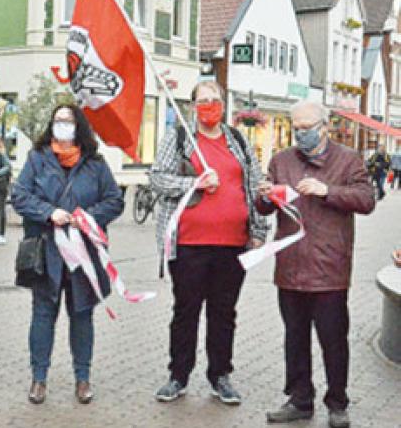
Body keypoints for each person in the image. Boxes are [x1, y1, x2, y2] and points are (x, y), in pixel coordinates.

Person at [257, 101, 375, 428]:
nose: (301, 133)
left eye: (307, 127)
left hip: (329, 270)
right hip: (291, 267)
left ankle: (337, 402)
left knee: (333, 340)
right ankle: (299, 398)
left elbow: (367, 200)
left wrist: (328, 190)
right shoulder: (281, 160)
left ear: (325, 126)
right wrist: (265, 196)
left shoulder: (348, 160)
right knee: (295, 338)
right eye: (296, 127)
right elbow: (264, 208)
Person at [149, 81, 268, 406]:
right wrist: (194, 182)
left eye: (215, 100)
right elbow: (157, 178)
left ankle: (220, 375)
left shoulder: (239, 141)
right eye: (203, 101)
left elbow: (255, 185)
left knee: (223, 312)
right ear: (192, 106)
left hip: (232, 245)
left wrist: (259, 229)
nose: (210, 106)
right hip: (188, 244)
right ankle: (178, 375)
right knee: (186, 310)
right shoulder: (179, 139)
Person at [11, 103, 125, 405]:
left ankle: (83, 378)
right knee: (43, 315)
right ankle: (38, 378)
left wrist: (87, 217)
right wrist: (49, 213)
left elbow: (115, 200)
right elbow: (20, 196)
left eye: (69, 121)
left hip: (83, 254)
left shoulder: (95, 164)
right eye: (58, 120)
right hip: (46, 252)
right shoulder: (37, 159)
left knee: (82, 315)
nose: (63, 126)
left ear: (80, 127)